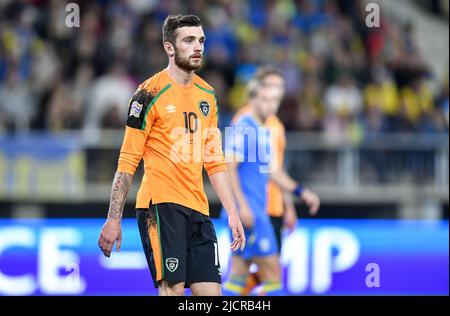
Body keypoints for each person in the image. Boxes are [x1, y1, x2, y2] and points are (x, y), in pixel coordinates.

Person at [98, 14, 245, 296]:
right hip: (161, 206)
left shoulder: (208, 95)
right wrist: (113, 218)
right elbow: (128, 160)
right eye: (188, 40)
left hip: (199, 209)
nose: (197, 47)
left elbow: (213, 159)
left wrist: (233, 211)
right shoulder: (148, 93)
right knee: (173, 290)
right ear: (169, 47)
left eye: (201, 40)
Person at [222, 72, 320, 296]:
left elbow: (273, 172)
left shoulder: (263, 130)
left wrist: (300, 191)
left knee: (238, 275)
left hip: (255, 210)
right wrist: (241, 207)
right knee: (273, 276)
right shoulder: (243, 125)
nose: (271, 105)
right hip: (251, 213)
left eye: (274, 100)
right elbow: (229, 168)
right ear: (252, 99)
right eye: (265, 99)